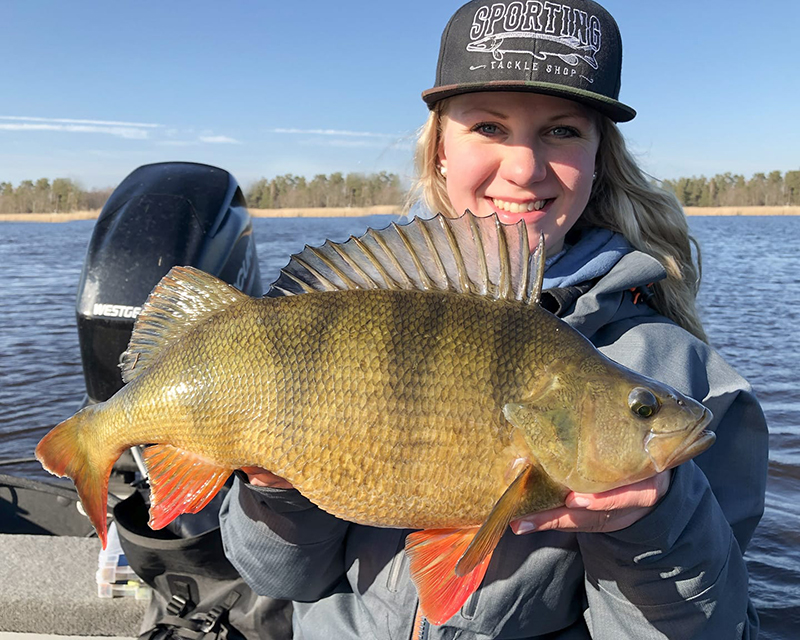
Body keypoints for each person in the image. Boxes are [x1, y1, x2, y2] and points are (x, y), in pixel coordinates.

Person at [219, 0, 768, 637]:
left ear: (599, 156)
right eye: (488, 127)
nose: (524, 168)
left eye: (562, 131)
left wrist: (657, 523)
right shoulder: (359, 313)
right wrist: (273, 488)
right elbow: (280, 579)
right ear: (440, 151)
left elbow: (713, 629)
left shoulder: (688, 377)